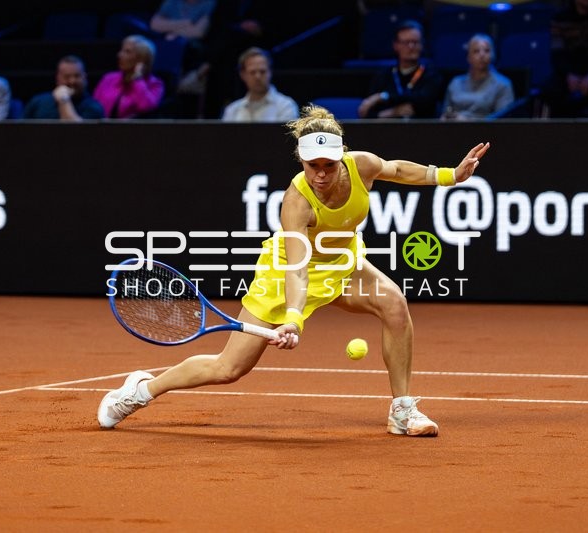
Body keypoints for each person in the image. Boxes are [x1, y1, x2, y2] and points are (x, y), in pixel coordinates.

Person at [97, 104, 490, 437]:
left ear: (342, 157)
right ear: (300, 160)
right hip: (286, 276)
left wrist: (448, 176)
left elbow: (398, 170)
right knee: (228, 368)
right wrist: (293, 319)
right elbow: (297, 270)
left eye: (328, 166)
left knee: (395, 306)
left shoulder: (362, 166)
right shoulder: (296, 202)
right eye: (311, 165)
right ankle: (141, 390)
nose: (320, 175)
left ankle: (402, 411)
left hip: (341, 263)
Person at [357, 19, 443, 119]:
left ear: (422, 45)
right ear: (396, 45)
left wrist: (383, 96)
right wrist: (391, 113)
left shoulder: (431, 75)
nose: (411, 47)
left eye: (415, 42)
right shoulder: (383, 76)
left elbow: (424, 101)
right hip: (386, 128)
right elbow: (365, 113)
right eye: (406, 42)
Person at [441, 34, 515, 120]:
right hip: (453, 127)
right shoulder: (455, 83)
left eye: (487, 51)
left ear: (493, 55)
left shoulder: (503, 85)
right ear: (468, 57)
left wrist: (466, 120)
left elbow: (502, 121)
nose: (482, 55)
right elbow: (446, 112)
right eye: (476, 51)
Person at [93, 35, 165, 119]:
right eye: (121, 50)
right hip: (102, 126)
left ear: (142, 59)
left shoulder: (155, 84)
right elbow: (94, 106)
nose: (119, 55)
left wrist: (138, 80)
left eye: (127, 52)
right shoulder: (109, 78)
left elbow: (146, 108)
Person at [221, 47, 299, 122]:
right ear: (243, 75)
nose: (257, 77)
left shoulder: (286, 106)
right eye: (252, 72)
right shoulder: (232, 110)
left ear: (270, 72)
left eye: (262, 71)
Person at [22, 55, 104, 121]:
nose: (72, 81)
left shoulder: (93, 107)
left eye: (77, 76)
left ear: (85, 78)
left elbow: (76, 133)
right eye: (67, 76)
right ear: (58, 78)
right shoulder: (38, 102)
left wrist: (64, 100)